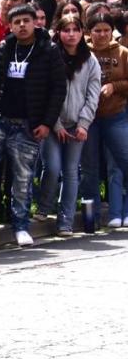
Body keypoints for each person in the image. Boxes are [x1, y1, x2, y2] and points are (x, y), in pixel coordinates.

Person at [0, 4, 66, 246]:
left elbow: (58, 90)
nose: (22, 25)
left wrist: (46, 123)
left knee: (22, 180)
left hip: (28, 126)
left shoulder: (49, 50)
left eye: (26, 20)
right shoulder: (4, 48)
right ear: (10, 25)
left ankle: (21, 227)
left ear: (35, 22)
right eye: (17, 22)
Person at [36, 16, 100, 235]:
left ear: (82, 33)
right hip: (52, 124)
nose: (71, 34)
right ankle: (44, 207)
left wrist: (84, 124)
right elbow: (44, 93)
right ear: (58, 32)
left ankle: (65, 221)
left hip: (77, 125)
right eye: (66, 30)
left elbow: (93, 96)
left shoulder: (90, 60)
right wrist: (55, 125)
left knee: (71, 172)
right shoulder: (50, 56)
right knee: (52, 168)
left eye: (75, 29)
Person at [78, 13, 128, 229]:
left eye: (106, 30)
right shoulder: (82, 52)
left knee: (121, 164)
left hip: (116, 116)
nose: (102, 34)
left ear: (112, 31)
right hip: (87, 119)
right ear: (89, 32)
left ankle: (121, 212)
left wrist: (114, 87)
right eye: (97, 30)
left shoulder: (123, 53)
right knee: (89, 169)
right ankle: (92, 218)